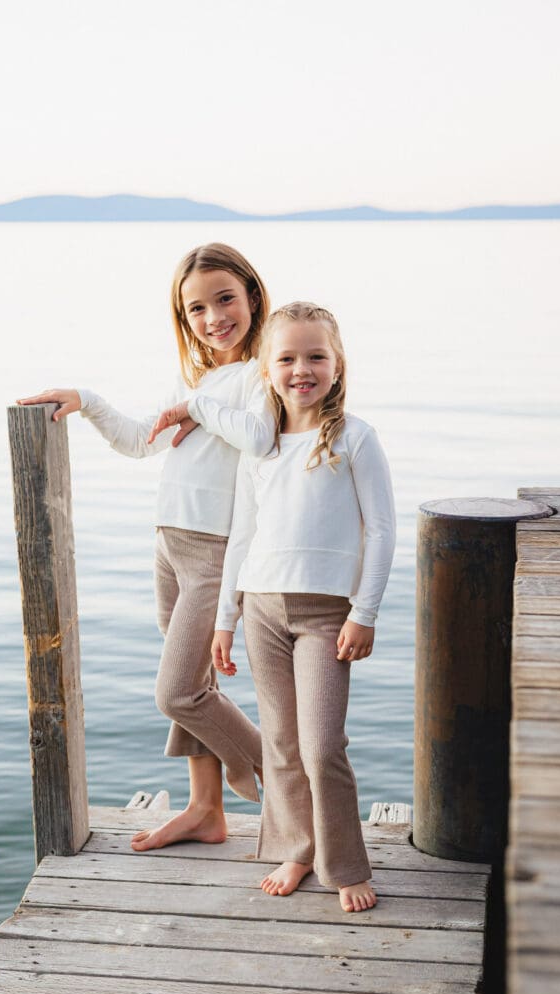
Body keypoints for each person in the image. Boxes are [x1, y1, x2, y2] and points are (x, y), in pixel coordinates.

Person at [18, 243, 275, 851]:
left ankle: (277, 770)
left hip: (214, 553)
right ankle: (205, 810)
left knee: (179, 693)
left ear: (253, 298)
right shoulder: (207, 379)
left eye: (225, 299)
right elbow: (139, 442)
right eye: (196, 310)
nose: (213, 317)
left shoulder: (261, 374)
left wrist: (199, 408)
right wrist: (86, 401)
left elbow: (260, 438)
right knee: (197, 688)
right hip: (170, 548)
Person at [211, 301, 395, 912]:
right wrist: (225, 618)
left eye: (316, 356)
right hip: (262, 606)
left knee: (322, 746)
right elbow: (242, 533)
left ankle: (344, 863)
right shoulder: (259, 446)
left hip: (325, 615)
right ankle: (296, 847)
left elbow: (381, 532)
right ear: (267, 369)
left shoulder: (353, 437)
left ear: (337, 365)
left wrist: (363, 611)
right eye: (286, 358)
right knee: (283, 746)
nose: (301, 369)